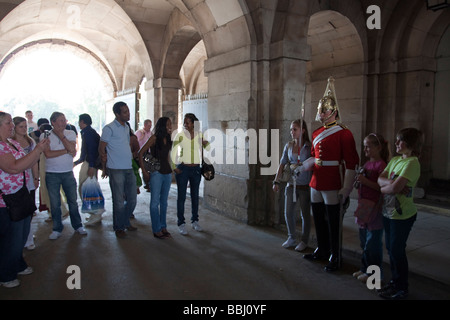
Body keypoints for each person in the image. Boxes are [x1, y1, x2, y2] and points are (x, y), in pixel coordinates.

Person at [299, 77, 359, 272]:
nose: (321, 113)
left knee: (334, 221)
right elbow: (315, 158)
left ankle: (336, 255)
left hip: (333, 181)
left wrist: (346, 188)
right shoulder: (316, 133)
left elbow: (351, 163)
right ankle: (322, 249)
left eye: (324, 111)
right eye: (320, 110)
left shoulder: (344, 133)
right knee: (318, 217)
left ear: (333, 111)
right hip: (316, 180)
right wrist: (300, 167)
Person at [0, 111, 49, 288]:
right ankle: (6, 274)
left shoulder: (11, 143)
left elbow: (27, 162)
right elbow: (13, 168)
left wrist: (37, 152)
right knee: (10, 238)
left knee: (20, 234)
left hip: (19, 194)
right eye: (8, 123)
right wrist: (37, 150)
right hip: (5, 200)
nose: (11, 126)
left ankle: (17, 263)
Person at [377, 128, 423, 300]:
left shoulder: (412, 163)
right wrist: (389, 185)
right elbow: (380, 179)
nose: (396, 143)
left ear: (410, 144)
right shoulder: (396, 160)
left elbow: (395, 188)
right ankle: (395, 282)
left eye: (400, 141)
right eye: (396, 140)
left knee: (397, 250)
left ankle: (401, 286)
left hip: (402, 215)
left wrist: (386, 187)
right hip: (388, 212)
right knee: (390, 248)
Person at [43, 112, 87, 240]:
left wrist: (61, 136)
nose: (64, 122)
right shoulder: (45, 135)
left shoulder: (70, 133)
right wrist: (66, 150)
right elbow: (48, 154)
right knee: (55, 203)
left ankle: (78, 225)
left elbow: (73, 152)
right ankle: (57, 228)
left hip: (67, 172)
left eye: (64, 120)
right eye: (60, 120)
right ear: (53, 122)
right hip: (52, 174)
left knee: (72, 201)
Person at [352, 133, 389, 283]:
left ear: (378, 147)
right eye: (364, 146)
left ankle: (375, 275)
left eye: (368, 146)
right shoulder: (367, 164)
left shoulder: (382, 166)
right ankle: (365, 269)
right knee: (363, 240)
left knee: (373, 243)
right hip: (364, 205)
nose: (365, 149)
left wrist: (365, 181)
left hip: (376, 207)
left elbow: (381, 187)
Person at [99, 101, 137, 238]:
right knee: (119, 201)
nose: (128, 114)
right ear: (117, 114)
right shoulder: (109, 129)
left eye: (128, 111)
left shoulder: (126, 127)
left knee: (132, 199)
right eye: (125, 112)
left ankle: (125, 220)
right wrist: (104, 168)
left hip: (128, 167)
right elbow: (101, 148)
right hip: (116, 169)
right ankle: (119, 227)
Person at [273, 119, 312, 252]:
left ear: (303, 131)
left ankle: (304, 240)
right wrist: (276, 181)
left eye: (295, 129)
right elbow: (282, 164)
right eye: (291, 129)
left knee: (305, 215)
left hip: (305, 185)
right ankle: (291, 237)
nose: (292, 132)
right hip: (291, 184)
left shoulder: (309, 146)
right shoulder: (288, 146)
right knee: (288, 211)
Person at [171, 113, 209, 235]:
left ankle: (195, 221)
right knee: (181, 197)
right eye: (185, 122)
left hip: (196, 169)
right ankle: (181, 223)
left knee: (195, 196)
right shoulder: (180, 135)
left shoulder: (199, 134)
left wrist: (205, 143)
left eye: (188, 122)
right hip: (183, 169)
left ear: (193, 123)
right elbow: (173, 152)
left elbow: (207, 148)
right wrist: (174, 167)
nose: (185, 124)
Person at [138, 117, 173, 239]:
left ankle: (163, 227)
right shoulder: (154, 138)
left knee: (164, 203)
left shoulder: (168, 138)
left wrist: (171, 168)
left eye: (171, 124)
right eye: (168, 124)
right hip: (156, 173)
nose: (170, 126)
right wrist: (144, 170)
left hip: (167, 173)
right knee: (154, 203)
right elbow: (140, 153)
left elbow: (167, 156)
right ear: (163, 125)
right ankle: (156, 229)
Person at [12, 117, 40, 250]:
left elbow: (34, 161)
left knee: (29, 210)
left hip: (28, 179)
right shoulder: (10, 143)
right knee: (18, 211)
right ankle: (20, 238)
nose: (24, 129)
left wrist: (36, 177)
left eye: (25, 126)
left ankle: (28, 237)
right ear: (14, 127)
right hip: (15, 181)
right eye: (21, 127)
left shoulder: (30, 141)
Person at [73, 113, 102, 224]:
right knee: (88, 187)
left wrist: (91, 166)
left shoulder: (88, 133)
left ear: (83, 122)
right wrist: (77, 162)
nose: (79, 123)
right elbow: (85, 152)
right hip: (89, 162)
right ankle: (94, 212)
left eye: (79, 121)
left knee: (86, 188)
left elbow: (91, 151)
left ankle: (96, 213)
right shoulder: (88, 132)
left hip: (90, 163)